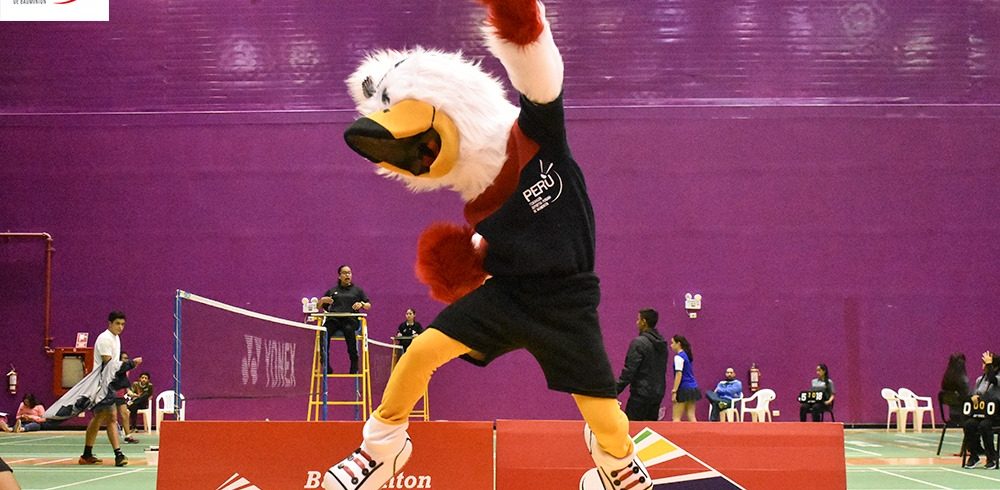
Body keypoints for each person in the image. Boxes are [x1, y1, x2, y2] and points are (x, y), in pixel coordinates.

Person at [79, 311, 142, 467]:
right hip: (101, 385)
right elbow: (109, 364)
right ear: (110, 323)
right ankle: (118, 455)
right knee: (112, 417)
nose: (120, 327)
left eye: (123, 324)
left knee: (99, 418)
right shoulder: (105, 339)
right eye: (117, 324)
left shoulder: (116, 338)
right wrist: (131, 364)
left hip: (109, 383)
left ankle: (86, 454)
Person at [615, 309, 667, 421]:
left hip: (640, 394)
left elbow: (629, 371)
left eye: (638, 319)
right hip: (658, 394)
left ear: (644, 322)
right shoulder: (662, 344)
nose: (636, 322)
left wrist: (615, 390)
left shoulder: (638, 343)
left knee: (633, 427)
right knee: (650, 429)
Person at [318, 265, 371, 374]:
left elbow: (368, 305)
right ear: (339, 276)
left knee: (348, 329)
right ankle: (325, 362)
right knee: (323, 331)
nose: (347, 275)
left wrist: (361, 304)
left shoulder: (357, 290)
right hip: (334, 319)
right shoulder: (332, 291)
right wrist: (322, 300)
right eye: (345, 273)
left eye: (349, 273)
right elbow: (319, 306)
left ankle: (354, 361)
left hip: (350, 320)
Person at [962, 350, 999, 469]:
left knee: (984, 426)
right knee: (969, 424)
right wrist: (973, 397)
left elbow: (993, 380)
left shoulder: (998, 378)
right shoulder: (980, 380)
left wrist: (989, 364)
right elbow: (974, 394)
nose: (983, 366)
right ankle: (974, 456)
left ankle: (992, 457)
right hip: (981, 414)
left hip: (995, 416)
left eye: (985, 363)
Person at [669, 335, 700, 421]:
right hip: (693, 388)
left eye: (672, 343)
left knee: (676, 418)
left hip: (683, 388)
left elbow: (679, 374)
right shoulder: (687, 355)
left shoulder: (678, 357)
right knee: (691, 415)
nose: (671, 345)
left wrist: (674, 391)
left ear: (678, 344)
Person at [114, 352, 139, 444]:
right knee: (109, 417)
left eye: (127, 358)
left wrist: (130, 392)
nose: (126, 360)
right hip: (111, 395)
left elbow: (125, 383)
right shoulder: (116, 369)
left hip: (120, 396)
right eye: (124, 358)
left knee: (125, 414)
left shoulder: (126, 371)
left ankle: (128, 436)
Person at [940, 352, 970, 425]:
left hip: (952, 415)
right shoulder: (963, 380)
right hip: (964, 415)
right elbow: (967, 397)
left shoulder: (946, 379)